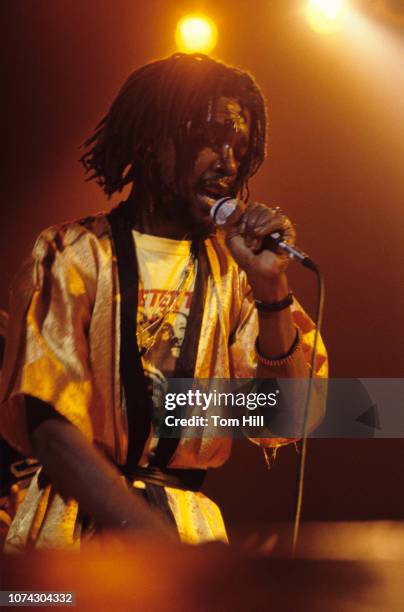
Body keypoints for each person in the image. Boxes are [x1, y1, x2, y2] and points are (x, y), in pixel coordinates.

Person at [0, 53, 327, 552]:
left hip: (188, 533)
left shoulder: (234, 278)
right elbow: (49, 428)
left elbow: (286, 418)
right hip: (73, 540)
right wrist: (156, 545)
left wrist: (270, 289)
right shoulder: (72, 254)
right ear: (154, 140)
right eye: (210, 139)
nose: (228, 161)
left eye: (239, 146)